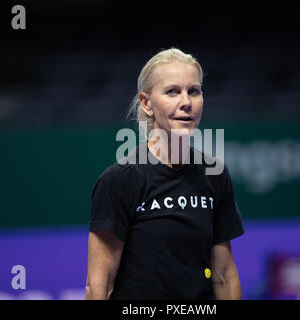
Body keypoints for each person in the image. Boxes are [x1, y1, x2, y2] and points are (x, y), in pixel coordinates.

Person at [85, 48, 245, 300]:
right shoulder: (119, 180)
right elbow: (99, 286)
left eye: (194, 91)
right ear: (146, 103)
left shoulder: (215, 174)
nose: (186, 102)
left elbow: (224, 275)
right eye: (172, 91)